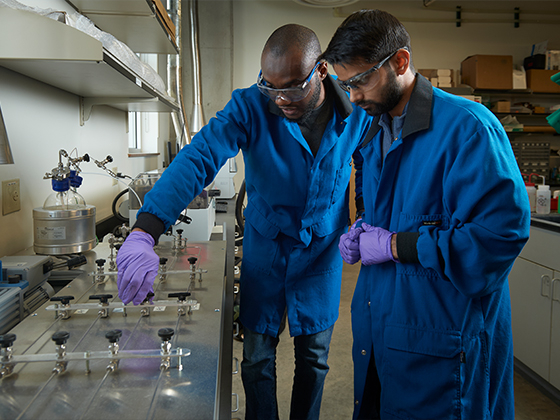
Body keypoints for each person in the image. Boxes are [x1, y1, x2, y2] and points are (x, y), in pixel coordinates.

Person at [116, 24, 372, 420]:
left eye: (290, 87)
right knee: (256, 358)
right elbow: (199, 156)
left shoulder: (355, 109)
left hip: (322, 253)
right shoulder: (251, 106)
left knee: (315, 359)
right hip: (265, 249)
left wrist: (367, 218)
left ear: (321, 70)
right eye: (270, 87)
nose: (280, 99)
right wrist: (144, 230)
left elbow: (370, 164)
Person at [320, 9, 531, 420]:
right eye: (346, 84)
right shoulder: (375, 127)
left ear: (400, 61)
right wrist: (365, 227)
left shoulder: (468, 130)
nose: (355, 96)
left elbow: (498, 236)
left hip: (443, 340)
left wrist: (397, 245)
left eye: (362, 80)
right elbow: (394, 207)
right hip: (382, 329)